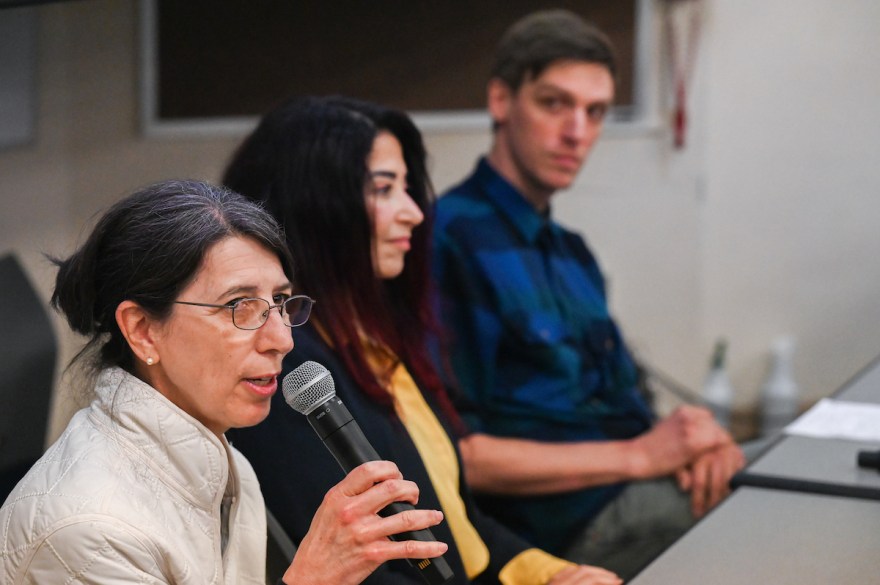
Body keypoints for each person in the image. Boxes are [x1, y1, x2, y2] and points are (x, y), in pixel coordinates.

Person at [224, 95, 621, 585]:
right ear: (314, 204)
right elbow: (359, 571)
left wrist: (557, 574)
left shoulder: (382, 341)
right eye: (385, 189)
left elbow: (459, 527)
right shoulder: (286, 369)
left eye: (408, 189)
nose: (413, 212)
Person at [0, 179, 450, 585]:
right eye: (239, 306)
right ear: (141, 329)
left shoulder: (224, 459)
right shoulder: (89, 531)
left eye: (279, 301)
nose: (282, 340)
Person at [431, 9, 746, 579]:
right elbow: (458, 457)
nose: (578, 131)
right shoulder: (448, 239)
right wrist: (641, 456)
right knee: (766, 515)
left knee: (775, 473)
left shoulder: (572, 252)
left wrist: (707, 449)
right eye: (555, 103)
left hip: (636, 487)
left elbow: (633, 406)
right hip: (565, 530)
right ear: (502, 101)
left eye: (595, 111)